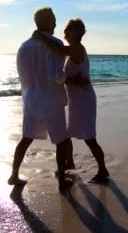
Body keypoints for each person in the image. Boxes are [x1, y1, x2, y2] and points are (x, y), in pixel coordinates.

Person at [8, 7, 86, 191]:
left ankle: (13, 175)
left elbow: (22, 75)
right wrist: (71, 79)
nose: (56, 23)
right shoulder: (55, 44)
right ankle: (61, 181)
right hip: (51, 100)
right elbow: (56, 75)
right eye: (53, 19)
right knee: (59, 141)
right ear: (46, 22)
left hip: (31, 99)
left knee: (26, 138)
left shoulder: (23, 46)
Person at [33, 18, 110, 184]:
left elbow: (58, 49)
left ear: (77, 32)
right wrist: (69, 80)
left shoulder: (76, 48)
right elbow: (67, 74)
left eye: (68, 29)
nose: (65, 32)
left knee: (89, 137)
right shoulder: (74, 49)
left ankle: (103, 171)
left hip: (84, 100)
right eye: (65, 29)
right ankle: (69, 162)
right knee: (66, 134)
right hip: (77, 100)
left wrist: (40, 37)